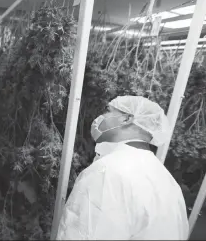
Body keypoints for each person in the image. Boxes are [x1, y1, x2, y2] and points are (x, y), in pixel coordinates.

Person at [56, 95, 189, 240]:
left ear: (127, 119)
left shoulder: (107, 171)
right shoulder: (167, 181)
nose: (100, 117)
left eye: (107, 111)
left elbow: (82, 233)